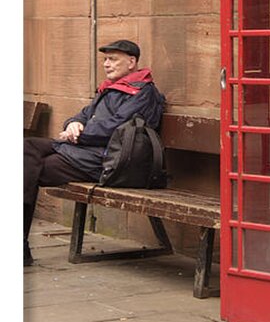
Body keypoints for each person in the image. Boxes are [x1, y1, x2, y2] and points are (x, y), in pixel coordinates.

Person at [24, 40, 165, 266]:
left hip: (110, 161)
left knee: (29, 169)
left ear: (131, 62)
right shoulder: (112, 88)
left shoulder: (142, 92)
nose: (107, 65)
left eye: (113, 59)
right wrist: (73, 124)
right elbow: (83, 114)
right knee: (26, 150)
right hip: (86, 151)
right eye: (105, 60)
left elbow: (117, 128)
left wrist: (79, 134)